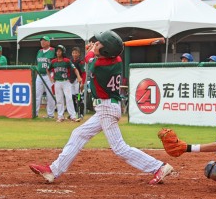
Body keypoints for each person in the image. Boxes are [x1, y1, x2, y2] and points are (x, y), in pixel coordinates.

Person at [29, 30, 173, 185]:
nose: (95, 43)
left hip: (106, 108)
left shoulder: (98, 64)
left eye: (99, 43)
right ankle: (53, 171)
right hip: (106, 107)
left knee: (119, 147)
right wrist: (97, 48)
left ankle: (159, 166)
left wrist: (92, 50)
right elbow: (98, 55)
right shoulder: (116, 59)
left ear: (105, 51)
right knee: (78, 134)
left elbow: (89, 59)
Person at [46, 45, 82, 122]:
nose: (58, 52)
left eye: (60, 51)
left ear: (63, 52)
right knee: (59, 99)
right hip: (57, 82)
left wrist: (78, 76)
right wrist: (50, 78)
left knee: (69, 98)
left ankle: (73, 116)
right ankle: (60, 116)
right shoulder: (53, 61)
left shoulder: (67, 61)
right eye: (57, 51)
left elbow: (75, 69)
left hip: (66, 81)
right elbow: (47, 69)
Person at [35, 36, 56, 119]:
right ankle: (35, 113)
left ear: (48, 42)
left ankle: (50, 114)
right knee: (37, 95)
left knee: (50, 95)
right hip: (40, 75)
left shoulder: (53, 50)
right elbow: (37, 63)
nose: (42, 42)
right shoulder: (39, 51)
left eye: (44, 41)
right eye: (41, 41)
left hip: (49, 75)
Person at [69, 47, 86, 119]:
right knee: (72, 98)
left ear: (79, 54)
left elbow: (84, 73)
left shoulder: (80, 62)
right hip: (71, 81)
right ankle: (74, 113)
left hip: (78, 82)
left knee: (79, 97)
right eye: (73, 53)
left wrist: (82, 83)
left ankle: (81, 113)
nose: (74, 54)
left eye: (76, 53)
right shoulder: (70, 61)